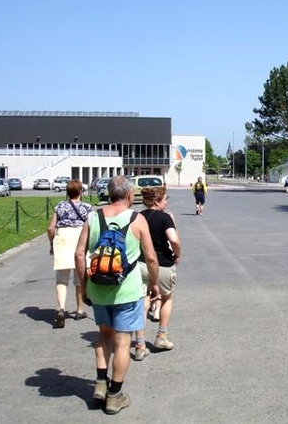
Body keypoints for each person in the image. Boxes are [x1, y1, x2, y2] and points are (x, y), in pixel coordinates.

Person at [74, 175, 160, 415]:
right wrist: (154, 285)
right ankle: (114, 395)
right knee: (123, 342)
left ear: (109, 194)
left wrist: (84, 286)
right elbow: (151, 258)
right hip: (128, 291)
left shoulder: (93, 217)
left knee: (104, 337)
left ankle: (101, 383)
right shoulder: (137, 219)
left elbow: (80, 255)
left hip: (98, 289)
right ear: (131, 195)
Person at [134, 186, 181, 361]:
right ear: (157, 201)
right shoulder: (165, 218)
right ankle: (161, 336)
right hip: (162, 265)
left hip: (140, 264)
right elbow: (173, 239)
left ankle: (139, 344)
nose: (167, 202)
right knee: (166, 297)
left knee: (142, 302)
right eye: (165, 199)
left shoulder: (138, 217)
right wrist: (177, 253)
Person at [47, 179, 93, 329]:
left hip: (63, 238)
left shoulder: (60, 206)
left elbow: (50, 229)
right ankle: (80, 309)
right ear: (81, 191)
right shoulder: (87, 207)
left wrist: (51, 243)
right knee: (80, 276)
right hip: (80, 237)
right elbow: (93, 227)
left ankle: (61, 309)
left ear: (67, 192)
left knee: (62, 278)